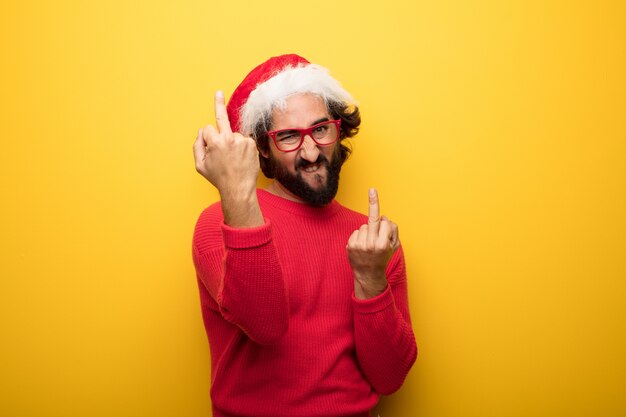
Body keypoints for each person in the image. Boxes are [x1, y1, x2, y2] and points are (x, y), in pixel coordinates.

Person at [192, 54, 417, 417]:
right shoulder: (220, 221)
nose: (311, 152)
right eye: (288, 137)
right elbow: (264, 324)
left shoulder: (371, 242)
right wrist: (237, 192)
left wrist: (370, 277)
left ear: (338, 129)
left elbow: (389, 379)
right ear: (261, 148)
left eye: (320, 129)